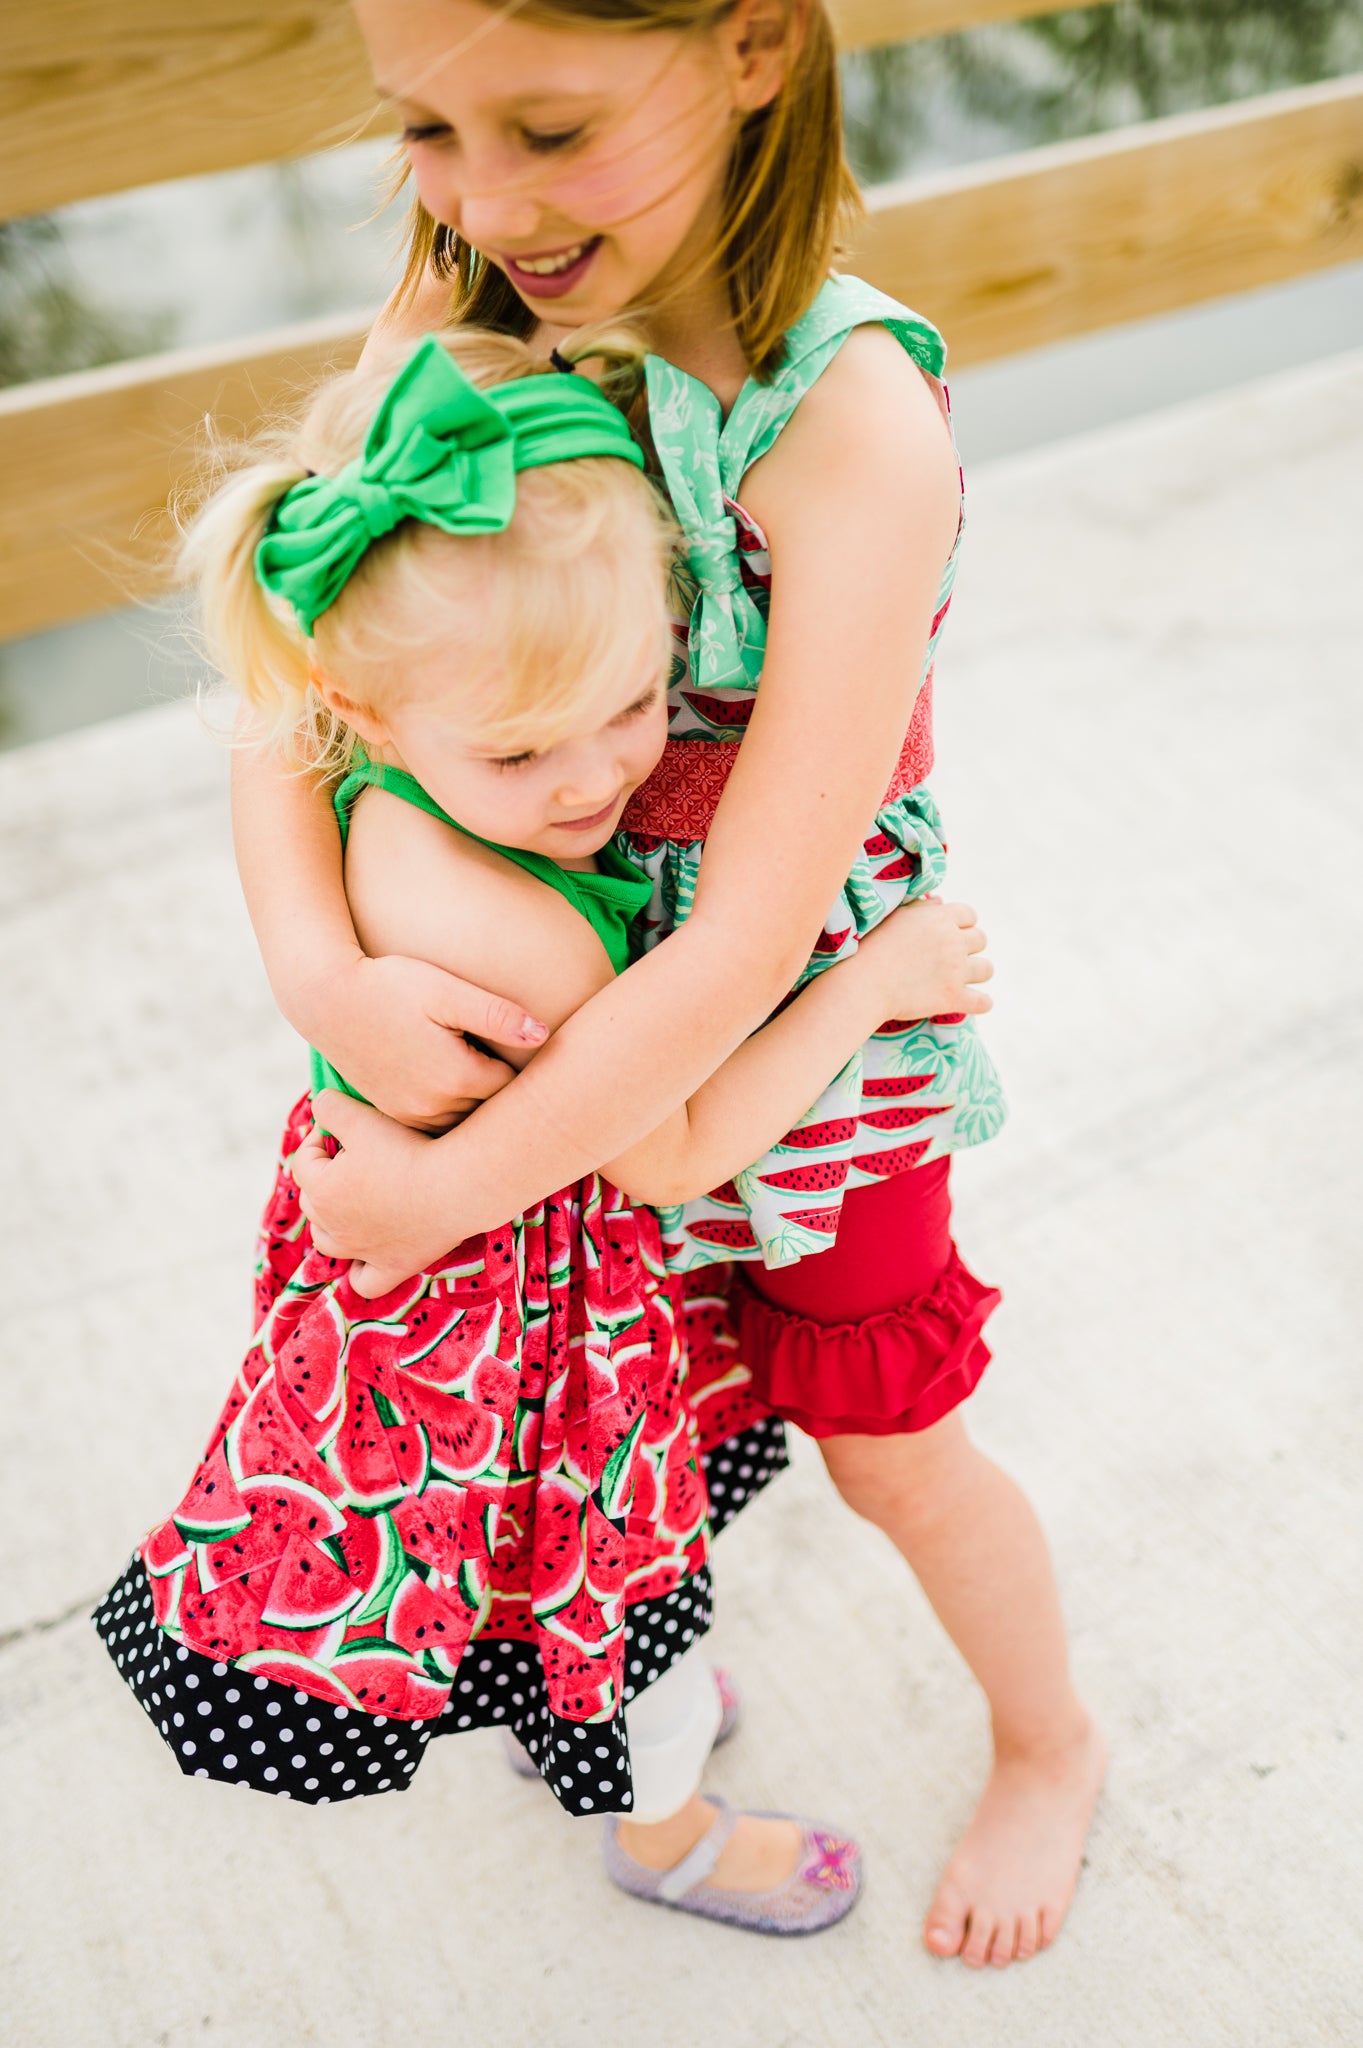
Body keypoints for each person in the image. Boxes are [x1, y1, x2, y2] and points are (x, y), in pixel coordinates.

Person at [231, 0, 1105, 1969]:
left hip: (798, 1015)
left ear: (750, 49)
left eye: (543, 124)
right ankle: (654, 1701)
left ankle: (1046, 1737)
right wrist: (324, 968)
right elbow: (306, 697)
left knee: (889, 1439)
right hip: (559, 1034)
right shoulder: (464, 331)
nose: (476, 196)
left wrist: (451, 1188)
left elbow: (740, 930)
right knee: (638, 1416)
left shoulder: (844, 428)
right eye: (429, 128)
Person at [95, 327, 993, 1937]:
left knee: (528, 1586)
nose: (598, 780)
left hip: (440, 1300)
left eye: (638, 702)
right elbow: (669, 1149)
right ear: (361, 700)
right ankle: (666, 1833)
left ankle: (576, 1725)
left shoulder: (386, 757)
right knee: (607, 1604)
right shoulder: (535, 941)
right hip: (519, 1336)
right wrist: (871, 984)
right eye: (526, 752)